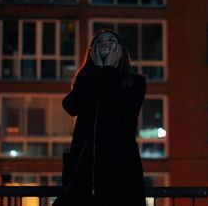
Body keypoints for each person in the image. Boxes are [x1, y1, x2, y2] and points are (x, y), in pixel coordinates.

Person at [53, 29, 146, 206]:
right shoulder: (86, 80)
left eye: (111, 40)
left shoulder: (135, 82)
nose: (104, 42)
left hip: (119, 179)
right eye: (99, 41)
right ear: (91, 52)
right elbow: (72, 106)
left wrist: (109, 69)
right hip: (82, 181)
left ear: (120, 51)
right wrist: (96, 71)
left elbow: (117, 108)